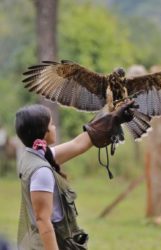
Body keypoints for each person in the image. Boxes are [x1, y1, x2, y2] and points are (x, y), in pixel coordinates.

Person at [15, 100, 136, 250]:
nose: (54, 127)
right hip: (50, 243)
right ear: (44, 132)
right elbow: (43, 220)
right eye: (51, 124)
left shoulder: (32, 156)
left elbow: (77, 144)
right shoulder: (41, 171)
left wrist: (113, 119)